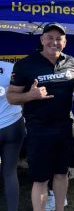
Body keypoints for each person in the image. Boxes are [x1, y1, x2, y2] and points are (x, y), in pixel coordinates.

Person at [6, 22, 74, 211]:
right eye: (50, 37)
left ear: (65, 41)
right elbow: (11, 96)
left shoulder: (71, 62)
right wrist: (30, 95)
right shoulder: (25, 65)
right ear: (42, 39)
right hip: (39, 130)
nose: (54, 42)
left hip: (65, 128)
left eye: (59, 38)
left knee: (62, 174)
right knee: (41, 179)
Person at [0, 61, 26, 211]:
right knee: (10, 172)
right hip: (13, 125)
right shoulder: (10, 67)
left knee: (10, 172)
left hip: (12, 124)